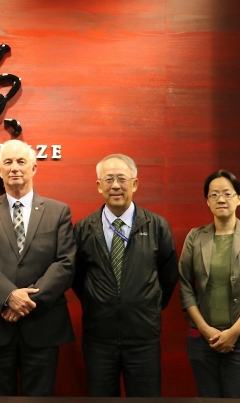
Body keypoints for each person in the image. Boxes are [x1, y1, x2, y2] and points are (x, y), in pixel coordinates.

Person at [0, 139, 75, 396]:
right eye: (8, 162)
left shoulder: (58, 212)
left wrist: (26, 300)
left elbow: (66, 263)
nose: (15, 167)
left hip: (43, 325)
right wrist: (9, 296)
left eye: (21, 161)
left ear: (34, 168)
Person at [72, 153, 178, 397]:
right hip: (99, 338)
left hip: (143, 338)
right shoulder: (84, 228)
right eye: (108, 179)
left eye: (122, 178)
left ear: (135, 184)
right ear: (99, 186)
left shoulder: (156, 226)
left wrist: (145, 305)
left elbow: (168, 274)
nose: (116, 186)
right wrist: (98, 300)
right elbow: (77, 278)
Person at [179, 170, 240, 398]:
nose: (221, 199)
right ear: (208, 201)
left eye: (227, 194)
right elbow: (185, 287)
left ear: (239, 198)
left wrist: (233, 333)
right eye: (214, 194)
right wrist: (205, 329)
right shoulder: (195, 237)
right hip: (203, 340)